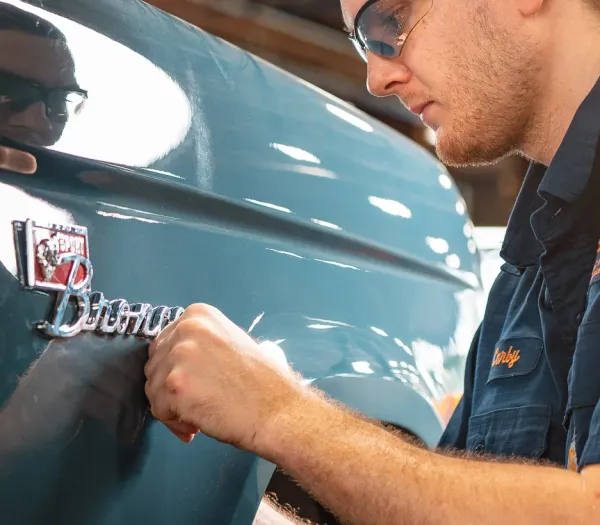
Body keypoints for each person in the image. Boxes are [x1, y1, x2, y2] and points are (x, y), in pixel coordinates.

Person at [141, 0, 599, 522]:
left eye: (390, 21)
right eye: (364, 42)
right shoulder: (529, 266)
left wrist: (280, 414)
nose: (376, 78)